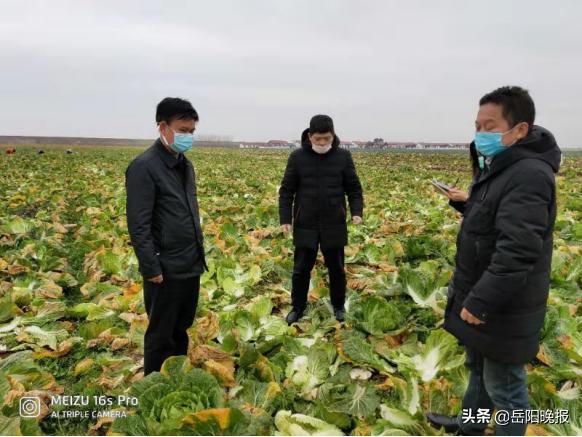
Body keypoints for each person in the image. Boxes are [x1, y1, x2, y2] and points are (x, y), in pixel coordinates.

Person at [427, 86, 561, 436]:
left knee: (505, 387)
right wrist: (465, 204)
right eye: (477, 126)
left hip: (503, 303)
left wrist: (483, 300)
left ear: (520, 130)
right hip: (483, 292)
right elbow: (495, 221)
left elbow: (518, 248)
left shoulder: (529, 173)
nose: (481, 135)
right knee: (478, 369)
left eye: (490, 127)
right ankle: (470, 426)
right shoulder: (501, 166)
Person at [125, 97, 207, 375]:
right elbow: (139, 224)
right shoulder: (144, 167)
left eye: (192, 132)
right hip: (164, 268)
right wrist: (151, 267)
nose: (188, 137)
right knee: (160, 335)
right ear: (162, 126)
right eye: (183, 130)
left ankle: (175, 378)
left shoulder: (185, 165)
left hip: (189, 264)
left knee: (181, 329)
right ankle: (154, 388)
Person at [278, 114, 363, 324]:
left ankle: (338, 306)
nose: (323, 143)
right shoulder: (297, 157)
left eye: (327, 138)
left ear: (333, 136)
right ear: (309, 136)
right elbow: (286, 190)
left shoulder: (343, 157)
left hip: (334, 221)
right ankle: (297, 307)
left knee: (336, 268)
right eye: (318, 139)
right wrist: (285, 218)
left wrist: (356, 212)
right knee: (300, 269)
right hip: (305, 221)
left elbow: (353, 188)